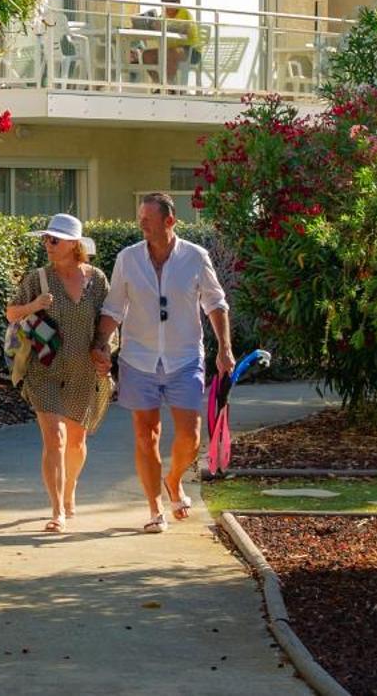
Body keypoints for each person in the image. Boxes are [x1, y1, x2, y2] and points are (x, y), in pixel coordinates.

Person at [93, 193, 232, 533]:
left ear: (169, 221)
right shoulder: (128, 258)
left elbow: (215, 303)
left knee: (190, 436)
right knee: (146, 435)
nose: (142, 224)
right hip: (138, 358)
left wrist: (224, 348)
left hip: (184, 357)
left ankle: (173, 479)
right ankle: (155, 508)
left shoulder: (195, 257)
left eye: (148, 219)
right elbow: (114, 308)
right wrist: (100, 344)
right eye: (140, 218)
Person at [5, 212, 109, 533]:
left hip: (83, 370)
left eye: (54, 239)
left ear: (74, 244)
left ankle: (69, 489)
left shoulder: (97, 280)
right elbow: (11, 313)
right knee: (55, 439)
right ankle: (56, 510)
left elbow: (107, 323)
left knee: (76, 442)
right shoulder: (37, 279)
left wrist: (105, 352)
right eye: (45, 239)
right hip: (44, 369)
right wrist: (34, 305)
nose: (47, 244)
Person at [136, 0, 203, 85]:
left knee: (171, 53)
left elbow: (185, 29)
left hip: (192, 52)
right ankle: (160, 85)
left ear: (177, 4)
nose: (164, 7)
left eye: (167, 4)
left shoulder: (185, 13)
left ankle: (170, 87)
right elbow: (157, 26)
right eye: (162, 5)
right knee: (147, 55)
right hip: (171, 50)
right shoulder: (163, 15)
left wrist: (165, 27)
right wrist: (147, 25)